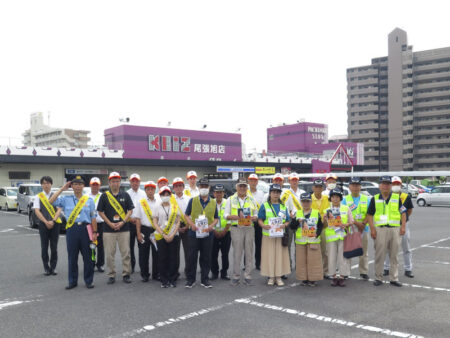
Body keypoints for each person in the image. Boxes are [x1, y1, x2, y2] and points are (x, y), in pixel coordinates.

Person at [50, 175, 97, 289]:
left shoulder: (89, 200)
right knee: (72, 257)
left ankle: (89, 280)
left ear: (83, 186)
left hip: (86, 229)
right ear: (72, 186)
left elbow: (93, 217)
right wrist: (62, 189)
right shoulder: (66, 199)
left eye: (80, 184)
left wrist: (95, 232)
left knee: (88, 257)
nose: (78, 186)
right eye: (75, 184)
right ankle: (72, 281)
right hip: (72, 229)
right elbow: (50, 201)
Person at [367, 176, 407, 287]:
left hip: (395, 230)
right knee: (380, 255)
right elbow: (369, 215)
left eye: (388, 184)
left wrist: (403, 227)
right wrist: (372, 229)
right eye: (383, 184)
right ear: (379, 186)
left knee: (394, 255)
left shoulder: (396, 198)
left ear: (391, 186)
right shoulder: (374, 198)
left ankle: (394, 278)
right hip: (380, 230)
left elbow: (403, 213)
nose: (385, 186)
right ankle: (378, 277)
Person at [97, 172, 134, 285]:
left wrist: (123, 222)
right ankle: (111, 274)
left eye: (117, 181)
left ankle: (126, 273)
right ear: (109, 183)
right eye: (113, 181)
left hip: (124, 228)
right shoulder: (104, 196)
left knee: (126, 252)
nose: (115, 183)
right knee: (109, 254)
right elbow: (100, 212)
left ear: (120, 182)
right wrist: (109, 223)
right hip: (108, 229)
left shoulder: (125, 195)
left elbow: (130, 210)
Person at [184, 178, 218, 288]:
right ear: (198, 188)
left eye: (206, 186)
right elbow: (186, 215)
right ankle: (191, 279)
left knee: (206, 257)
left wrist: (211, 227)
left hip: (207, 234)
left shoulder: (213, 202)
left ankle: (205, 279)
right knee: (191, 257)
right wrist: (191, 225)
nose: (204, 188)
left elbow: (216, 218)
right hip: (194, 234)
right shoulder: (192, 200)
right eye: (202, 186)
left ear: (209, 188)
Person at [224, 177, 258, 286]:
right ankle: (236, 276)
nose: (242, 188)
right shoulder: (230, 199)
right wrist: (232, 216)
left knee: (249, 253)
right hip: (236, 228)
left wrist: (254, 217)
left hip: (249, 228)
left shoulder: (252, 199)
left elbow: (256, 214)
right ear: (236, 187)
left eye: (244, 186)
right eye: (240, 186)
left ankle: (248, 276)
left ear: (247, 187)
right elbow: (225, 215)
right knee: (237, 253)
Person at [258, 184, 291, 286]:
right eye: (274, 192)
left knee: (280, 256)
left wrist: (284, 225)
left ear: (280, 194)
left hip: (280, 235)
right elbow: (260, 219)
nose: (275, 194)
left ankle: (279, 277)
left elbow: (288, 221)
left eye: (277, 192)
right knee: (269, 256)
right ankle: (271, 277)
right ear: (270, 193)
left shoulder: (283, 206)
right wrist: (264, 226)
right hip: (268, 235)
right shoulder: (265, 205)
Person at [383, 176, 414, 278]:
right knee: (388, 248)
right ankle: (386, 268)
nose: (396, 186)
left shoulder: (406, 196)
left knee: (406, 247)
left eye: (398, 184)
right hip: (391, 225)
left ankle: (408, 269)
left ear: (401, 185)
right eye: (394, 184)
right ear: (391, 185)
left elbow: (409, 210)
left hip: (403, 225)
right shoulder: (388, 196)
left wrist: (404, 221)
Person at [290, 192, 323, 286]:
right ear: (301, 202)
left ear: (311, 202)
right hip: (301, 242)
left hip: (313, 241)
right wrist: (296, 221)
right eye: (303, 201)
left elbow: (320, 226)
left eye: (307, 201)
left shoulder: (316, 213)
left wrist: (317, 234)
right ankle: (303, 279)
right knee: (301, 261)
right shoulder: (297, 213)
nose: (305, 203)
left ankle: (313, 279)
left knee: (314, 261)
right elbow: (292, 227)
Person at [323, 188, 354, 287]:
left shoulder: (346, 208)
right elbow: (323, 225)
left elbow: (352, 221)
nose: (335, 199)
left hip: (343, 236)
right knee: (331, 257)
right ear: (330, 198)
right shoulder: (327, 210)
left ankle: (341, 277)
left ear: (340, 198)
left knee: (343, 257)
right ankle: (333, 276)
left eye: (337, 197)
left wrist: (346, 224)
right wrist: (324, 219)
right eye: (333, 197)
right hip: (331, 237)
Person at [33, 176, 62, 276]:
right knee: (44, 247)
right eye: (44, 183)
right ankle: (46, 267)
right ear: (41, 184)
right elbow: (37, 211)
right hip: (43, 224)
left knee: (54, 247)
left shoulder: (56, 195)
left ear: (51, 184)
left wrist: (53, 221)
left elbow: (59, 209)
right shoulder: (38, 196)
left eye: (48, 183)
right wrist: (45, 222)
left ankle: (53, 268)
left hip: (55, 223)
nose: (46, 185)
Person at [342, 177, 370, 280]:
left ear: (360, 186)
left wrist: (363, 224)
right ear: (349, 186)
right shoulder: (345, 200)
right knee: (348, 250)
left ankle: (364, 271)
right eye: (353, 185)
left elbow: (369, 213)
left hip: (363, 229)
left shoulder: (366, 199)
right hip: (350, 228)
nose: (355, 187)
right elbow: (343, 214)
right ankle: (346, 272)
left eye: (357, 185)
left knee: (364, 251)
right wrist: (356, 223)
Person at [153, 186, 180, 288]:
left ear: (170, 195)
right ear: (160, 195)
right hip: (161, 236)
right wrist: (164, 234)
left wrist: (172, 234)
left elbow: (178, 222)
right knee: (162, 258)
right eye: (163, 194)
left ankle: (172, 279)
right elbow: (155, 223)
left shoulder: (174, 206)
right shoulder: (157, 207)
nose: (165, 196)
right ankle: (164, 280)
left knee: (173, 258)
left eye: (167, 194)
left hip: (174, 236)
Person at [135, 181, 159, 282]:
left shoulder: (159, 201)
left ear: (155, 190)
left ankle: (156, 274)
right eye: (148, 189)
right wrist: (138, 233)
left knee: (157, 253)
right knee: (143, 254)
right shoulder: (141, 202)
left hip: (155, 230)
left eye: (152, 189)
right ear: (145, 190)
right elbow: (138, 219)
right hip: (144, 229)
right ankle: (145, 274)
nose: (150, 191)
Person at [280, 172, 304, 275]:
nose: (294, 181)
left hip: (300, 222)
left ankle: (299, 266)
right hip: (289, 221)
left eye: (296, 180)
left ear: (298, 181)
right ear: (289, 181)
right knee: (288, 245)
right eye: (292, 180)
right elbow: (282, 206)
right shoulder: (285, 193)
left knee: (299, 245)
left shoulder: (302, 192)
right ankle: (288, 267)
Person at [171, 177, 191, 279]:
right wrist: (176, 227)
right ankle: (175, 273)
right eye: (176, 186)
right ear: (173, 188)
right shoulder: (170, 199)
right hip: (175, 228)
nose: (178, 188)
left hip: (187, 227)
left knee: (188, 251)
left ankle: (188, 272)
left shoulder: (189, 199)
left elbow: (191, 214)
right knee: (175, 252)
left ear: (183, 187)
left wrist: (187, 226)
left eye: (180, 185)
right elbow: (169, 215)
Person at [211, 184, 231, 280]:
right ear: (213, 193)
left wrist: (225, 230)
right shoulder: (210, 203)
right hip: (213, 232)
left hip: (226, 232)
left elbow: (230, 218)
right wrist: (214, 230)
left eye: (221, 192)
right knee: (213, 254)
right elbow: (208, 218)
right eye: (217, 192)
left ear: (224, 193)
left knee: (225, 254)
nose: (219, 194)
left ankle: (224, 273)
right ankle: (214, 273)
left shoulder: (228, 202)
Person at [127, 173, 146, 274]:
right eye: (133, 181)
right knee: (129, 248)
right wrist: (129, 219)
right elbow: (123, 210)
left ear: (139, 182)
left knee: (142, 248)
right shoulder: (126, 194)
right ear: (130, 182)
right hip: (129, 224)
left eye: (136, 181)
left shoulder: (144, 194)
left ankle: (143, 268)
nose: (135, 183)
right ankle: (131, 267)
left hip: (141, 224)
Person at [311, 179, 330, 278]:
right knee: (313, 250)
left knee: (325, 251)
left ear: (322, 188)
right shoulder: (309, 199)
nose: (318, 188)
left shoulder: (327, 198)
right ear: (313, 187)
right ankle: (314, 270)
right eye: (316, 186)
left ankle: (325, 271)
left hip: (324, 227)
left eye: (320, 187)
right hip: (312, 228)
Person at [246, 173, 265, 270]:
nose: (253, 182)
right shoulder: (245, 192)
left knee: (259, 243)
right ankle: (247, 264)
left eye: (255, 180)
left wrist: (257, 217)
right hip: (247, 221)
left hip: (258, 221)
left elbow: (262, 208)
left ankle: (258, 263)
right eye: (251, 180)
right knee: (248, 244)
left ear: (257, 182)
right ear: (248, 181)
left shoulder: (261, 194)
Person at [89, 177, 105, 273]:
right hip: (90, 224)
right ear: (90, 185)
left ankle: (100, 264)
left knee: (101, 246)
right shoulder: (86, 196)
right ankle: (92, 263)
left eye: (97, 185)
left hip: (101, 223)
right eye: (93, 184)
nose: (95, 186)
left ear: (99, 185)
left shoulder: (103, 196)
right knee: (91, 245)